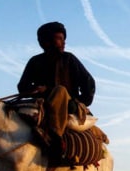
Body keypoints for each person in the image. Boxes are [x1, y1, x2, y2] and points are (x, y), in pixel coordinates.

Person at [18, 21, 95, 158]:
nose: (63, 42)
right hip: (41, 103)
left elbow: (89, 83)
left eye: (63, 39)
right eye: (59, 39)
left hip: (67, 104)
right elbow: (22, 87)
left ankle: (56, 138)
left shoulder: (69, 59)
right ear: (45, 42)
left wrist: (81, 103)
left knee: (60, 91)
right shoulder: (35, 62)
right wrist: (35, 89)